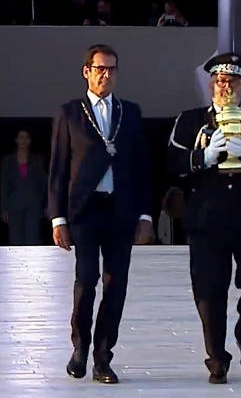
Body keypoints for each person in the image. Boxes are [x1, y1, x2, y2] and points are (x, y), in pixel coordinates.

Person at [167, 52, 241, 384]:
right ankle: (216, 358)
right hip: (207, 219)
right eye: (221, 80)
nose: (226, 86)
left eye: (233, 81)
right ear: (211, 85)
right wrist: (201, 156)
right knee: (210, 290)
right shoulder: (191, 120)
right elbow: (173, 162)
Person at [48, 44, 154, 384]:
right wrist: (58, 218)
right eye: (100, 69)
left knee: (116, 283)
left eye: (112, 69)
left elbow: (142, 168)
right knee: (86, 279)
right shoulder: (70, 113)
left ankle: (103, 358)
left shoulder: (130, 112)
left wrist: (146, 215)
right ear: (87, 71)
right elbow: (58, 170)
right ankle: (79, 346)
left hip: (120, 209)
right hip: (85, 209)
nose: (106, 75)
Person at [1, 129, 47, 245]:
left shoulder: (37, 159)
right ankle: (17, 264)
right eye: (21, 137)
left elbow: (43, 183)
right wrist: (4, 208)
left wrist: (46, 204)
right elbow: (4, 185)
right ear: (16, 140)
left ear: (29, 141)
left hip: (33, 205)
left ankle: (32, 263)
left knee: (33, 240)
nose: (23, 140)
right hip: (14, 205)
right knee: (16, 241)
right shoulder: (8, 161)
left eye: (26, 137)